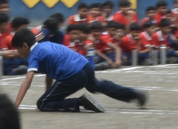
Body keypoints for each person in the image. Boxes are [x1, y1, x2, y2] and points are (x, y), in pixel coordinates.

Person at [11, 27, 147, 112]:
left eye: (17, 49)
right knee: (96, 86)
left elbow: (27, 82)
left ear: (24, 46)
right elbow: (49, 73)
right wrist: (49, 94)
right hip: (85, 66)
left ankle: (80, 102)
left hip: (72, 75)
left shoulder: (34, 54)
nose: (18, 52)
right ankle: (133, 94)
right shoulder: (44, 44)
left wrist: (15, 106)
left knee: (43, 104)